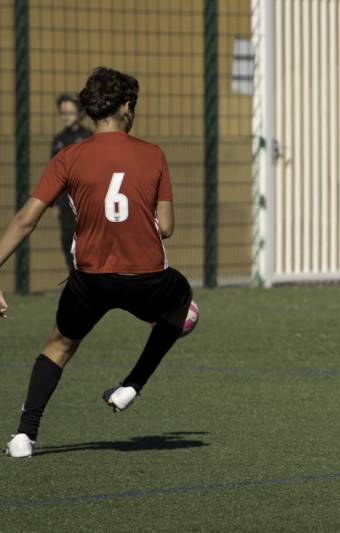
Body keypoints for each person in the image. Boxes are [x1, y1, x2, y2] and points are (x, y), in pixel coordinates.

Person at [2, 67, 193, 458]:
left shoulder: (68, 156)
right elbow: (168, 229)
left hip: (90, 279)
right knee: (184, 305)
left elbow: (25, 220)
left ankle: (24, 436)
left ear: (90, 110)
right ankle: (132, 386)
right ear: (126, 107)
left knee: (59, 346)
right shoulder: (153, 154)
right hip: (147, 280)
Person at [52, 92, 93, 270]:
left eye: (69, 112)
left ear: (80, 113)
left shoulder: (88, 136)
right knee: (68, 240)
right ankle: (74, 278)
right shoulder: (59, 140)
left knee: (88, 241)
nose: (66, 117)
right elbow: (54, 173)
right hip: (65, 202)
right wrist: (55, 203)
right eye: (63, 113)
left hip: (86, 199)